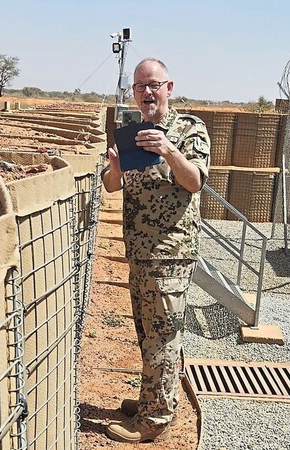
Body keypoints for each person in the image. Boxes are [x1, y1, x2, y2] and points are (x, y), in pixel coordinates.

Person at [101, 58, 210, 443]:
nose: (147, 92)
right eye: (140, 87)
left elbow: (195, 181)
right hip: (140, 252)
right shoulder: (132, 134)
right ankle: (153, 400)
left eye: (154, 85)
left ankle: (155, 421)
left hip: (170, 253)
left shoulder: (189, 130)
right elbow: (112, 186)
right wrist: (115, 165)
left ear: (169, 88)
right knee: (148, 333)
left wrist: (169, 151)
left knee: (163, 336)